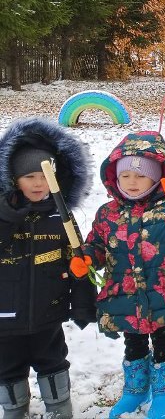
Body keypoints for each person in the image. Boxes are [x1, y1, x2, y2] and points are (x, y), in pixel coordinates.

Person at [76, 131, 165, 419]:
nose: (132, 183)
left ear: (157, 177)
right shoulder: (107, 214)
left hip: (164, 291)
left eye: (140, 176)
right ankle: (135, 389)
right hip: (125, 294)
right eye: (125, 177)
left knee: (163, 339)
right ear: (114, 178)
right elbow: (97, 245)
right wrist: (86, 258)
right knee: (132, 341)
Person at [0, 118, 96, 419]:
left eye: (44, 175)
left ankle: (58, 406)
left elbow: (79, 264)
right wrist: (8, 219)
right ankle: (14, 408)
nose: (38, 183)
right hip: (5, 316)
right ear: (14, 179)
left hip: (48, 312)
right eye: (29, 176)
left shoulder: (61, 218)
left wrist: (83, 304)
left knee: (53, 361)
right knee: (7, 365)